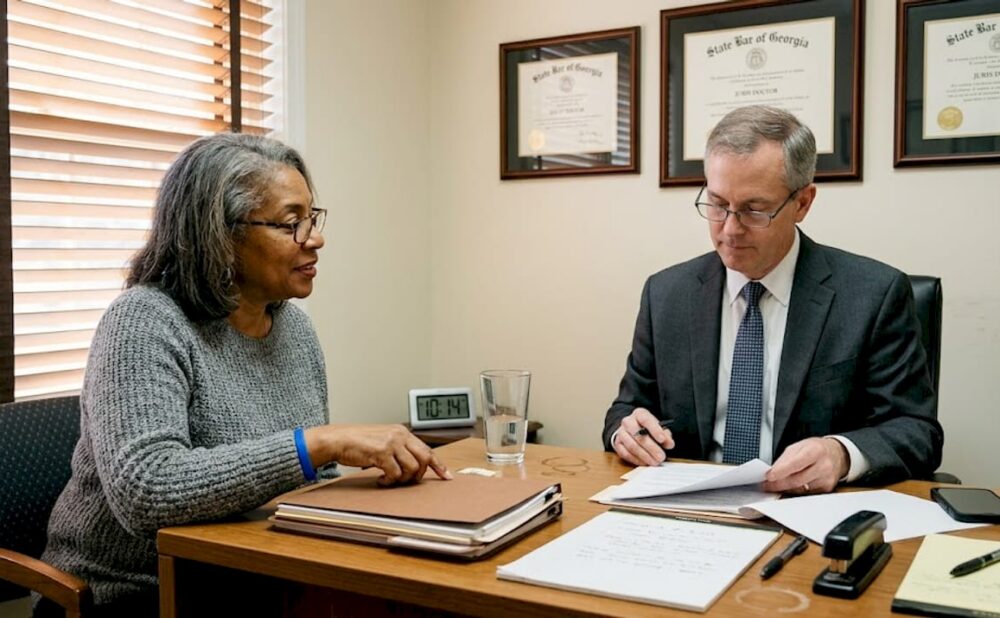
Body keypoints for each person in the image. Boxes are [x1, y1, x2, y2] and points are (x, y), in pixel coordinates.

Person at [37, 133, 450, 617]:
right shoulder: (144, 320)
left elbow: (310, 480)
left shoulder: (293, 326)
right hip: (131, 592)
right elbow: (146, 492)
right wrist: (317, 444)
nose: (315, 238)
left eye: (312, 218)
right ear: (221, 235)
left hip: (255, 574)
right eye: (291, 223)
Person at [603, 105, 942, 494]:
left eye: (754, 209)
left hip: (806, 511)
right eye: (717, 204)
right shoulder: (666, 294)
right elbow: (625, 410)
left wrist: (842, 453)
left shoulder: (874, 295)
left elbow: (918, 432)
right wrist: (624, 432)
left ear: (803, 203)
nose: (730, 229)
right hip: (689, 508)